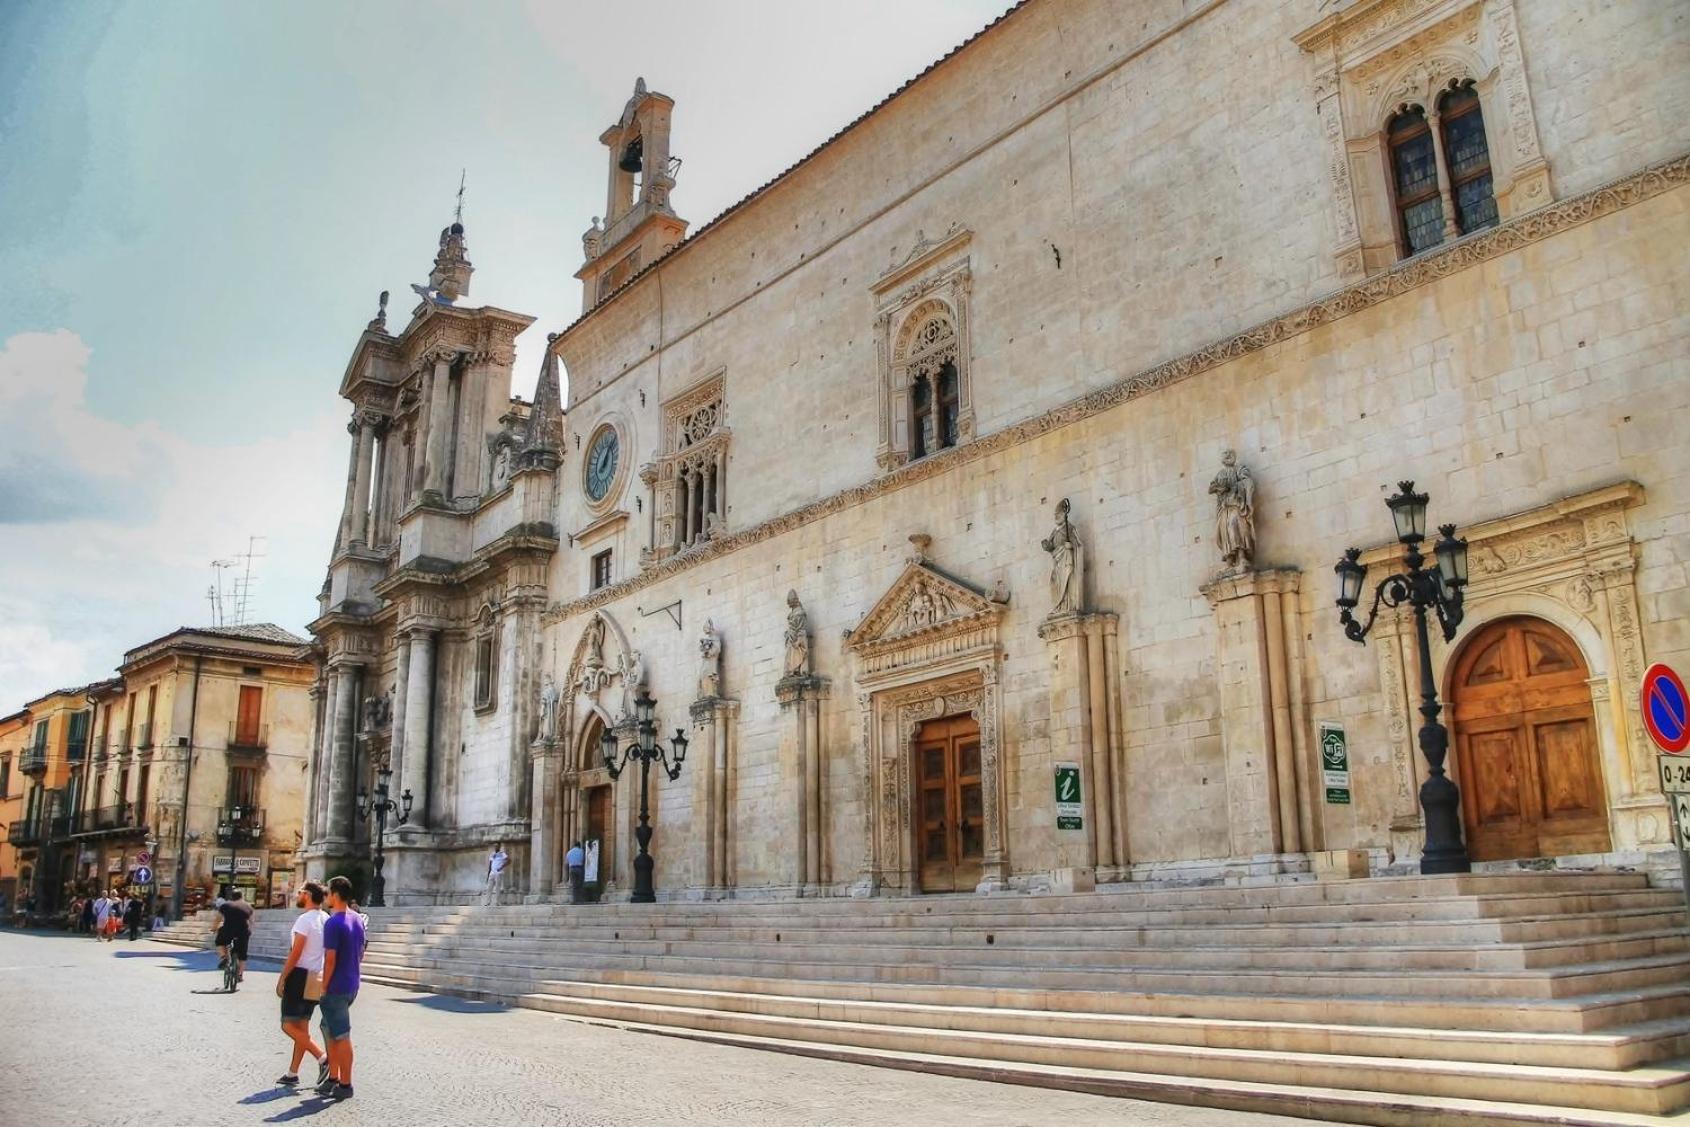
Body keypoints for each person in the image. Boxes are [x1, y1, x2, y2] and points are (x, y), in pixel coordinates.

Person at [275, 882, 329, 1088]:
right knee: (302, 1026)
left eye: (299, 892)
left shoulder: (304, 920)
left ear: (307, 895)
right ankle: (292, 1073)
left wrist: (282, 978)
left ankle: (323, 1057)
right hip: (317, 976)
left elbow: (296, 952)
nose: (297, 895)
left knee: (288, 1024)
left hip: (299, 976)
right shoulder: (325, 918)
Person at [316, 875, 366, 1101]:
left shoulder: (333, 923)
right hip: (352, 982)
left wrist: (324, 986)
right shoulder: (357, 919)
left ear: (335, 895)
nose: (326, 896)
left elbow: (330, 959)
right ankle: (333, 1077)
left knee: (341, 1034)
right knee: (329, 1029)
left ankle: (345, 1083)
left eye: (328, 892)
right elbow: (361, 951)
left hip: (336, 986)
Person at [215, 889, 254, 984]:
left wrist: (214, 928)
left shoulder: (225, 905)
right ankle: (240, 974)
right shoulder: (248, 907)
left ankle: (224, 957)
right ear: (242, 897)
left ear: (231, 898)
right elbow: (252, 921)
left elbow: (218, 919)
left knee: (219, 941)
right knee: (243, 954)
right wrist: (250, 931)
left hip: (228, 930)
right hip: (242, 932)